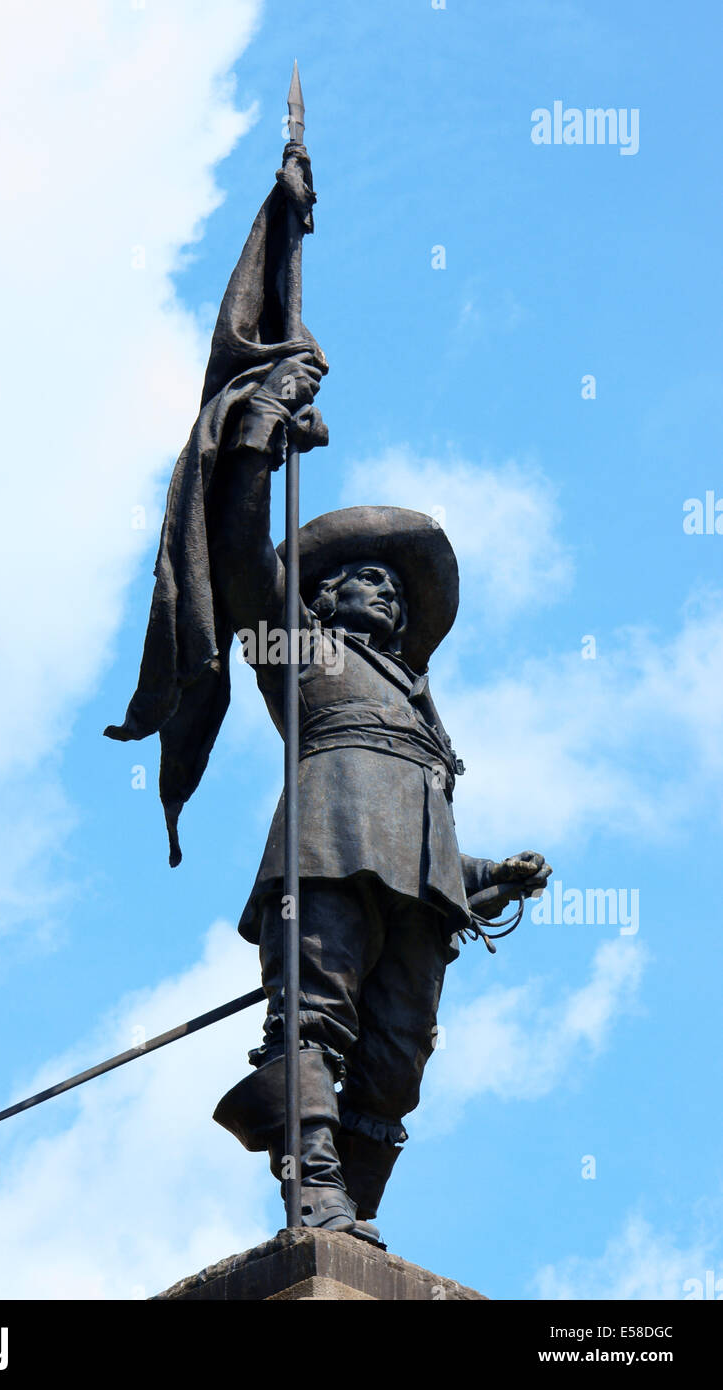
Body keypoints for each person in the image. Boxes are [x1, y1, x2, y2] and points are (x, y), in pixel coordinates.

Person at [209, 351, 551, 1246]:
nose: (390, 595)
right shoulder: (299, 653)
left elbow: (421, 826)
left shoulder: (427, 715)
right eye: (373, 580)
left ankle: (351, 1212)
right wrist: (260, 439)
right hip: (323, 850)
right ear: (324, 594)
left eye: (400, 591)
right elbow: (244, 554)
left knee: (398, 1060)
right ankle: (312, 1195)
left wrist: (491, 872)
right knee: (316, 1020)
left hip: (419, 890)